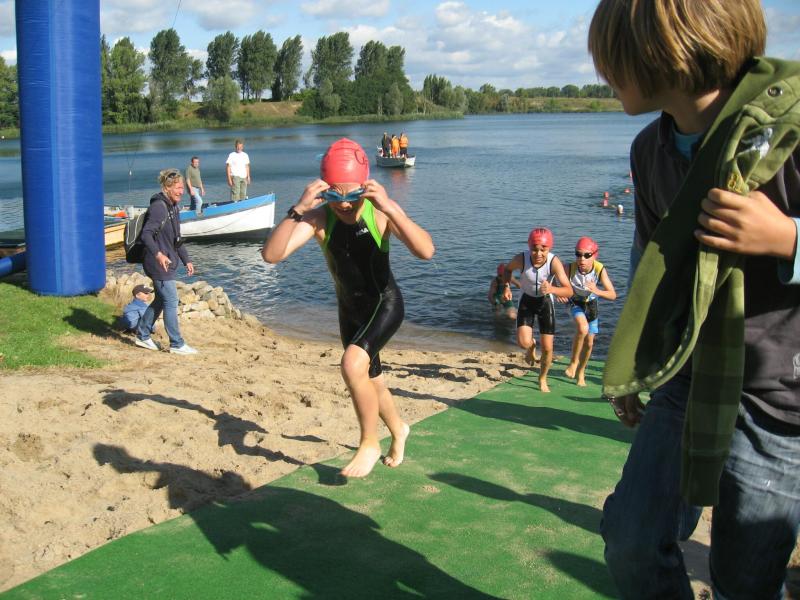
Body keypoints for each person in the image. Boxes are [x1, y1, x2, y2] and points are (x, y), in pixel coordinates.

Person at [588, 1, 800, 598]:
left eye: (612, 59)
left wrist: (787, 238)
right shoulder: (649, 150)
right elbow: (650, 265)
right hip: (687, 374)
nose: (603, 75)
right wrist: (633, 363)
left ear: (669, 55)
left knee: (744, 580)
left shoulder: (789, 135)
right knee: (630, 540)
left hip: (780, 398)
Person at [262, 138, 434, 478]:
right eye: (334, 195)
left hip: (385, 304)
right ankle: (399, 429)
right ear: (323, 190)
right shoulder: (318, 219)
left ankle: (369, 442)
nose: (343, 204)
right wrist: (298, 209)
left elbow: (426, 251)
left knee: (352, 365)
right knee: (373, 380)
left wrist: (391, 207)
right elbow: (272, 255)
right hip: (350, 311)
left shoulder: (380, 213)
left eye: (352, 195)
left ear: (365, 188)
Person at [135, 168, 198, 355]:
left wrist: (186, 260)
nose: (181, 191)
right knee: (171, 299)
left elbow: (177, 239)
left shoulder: (173, 207)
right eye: (177, 188)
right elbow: (146, 234)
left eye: (182, 188)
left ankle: (142, 334)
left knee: (162, 300)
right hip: (157, 262)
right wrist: (159, 254)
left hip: (167, 262)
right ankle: (177, 344)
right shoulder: (159, 207)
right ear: (167, 188)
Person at [501, 228, 572, 392]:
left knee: (547, 348)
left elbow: (568, 290)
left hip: (545, 303)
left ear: (549, 248)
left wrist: (553, 289)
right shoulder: (521, 259)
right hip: (526, 301)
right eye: (534, 249)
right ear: (529, 246)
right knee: (523, 343)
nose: (538, 253)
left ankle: (542, 378)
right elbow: (507, 269)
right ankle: (532, 346)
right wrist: (506, 286)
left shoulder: (554, 262)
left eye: (543, 249)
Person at [559, 237, 616, 387]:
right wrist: (559, 292)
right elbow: (553, 280)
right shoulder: (569, 268)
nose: (582, 259)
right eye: (578, 254)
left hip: (591, 305)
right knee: (582, 328)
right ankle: (573, 362)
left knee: (589, 343)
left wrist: (597, 290)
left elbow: (612, 295)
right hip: (575, 302)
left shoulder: (599, 269)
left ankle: (581, 371)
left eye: (587, 255)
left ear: (594, 255)